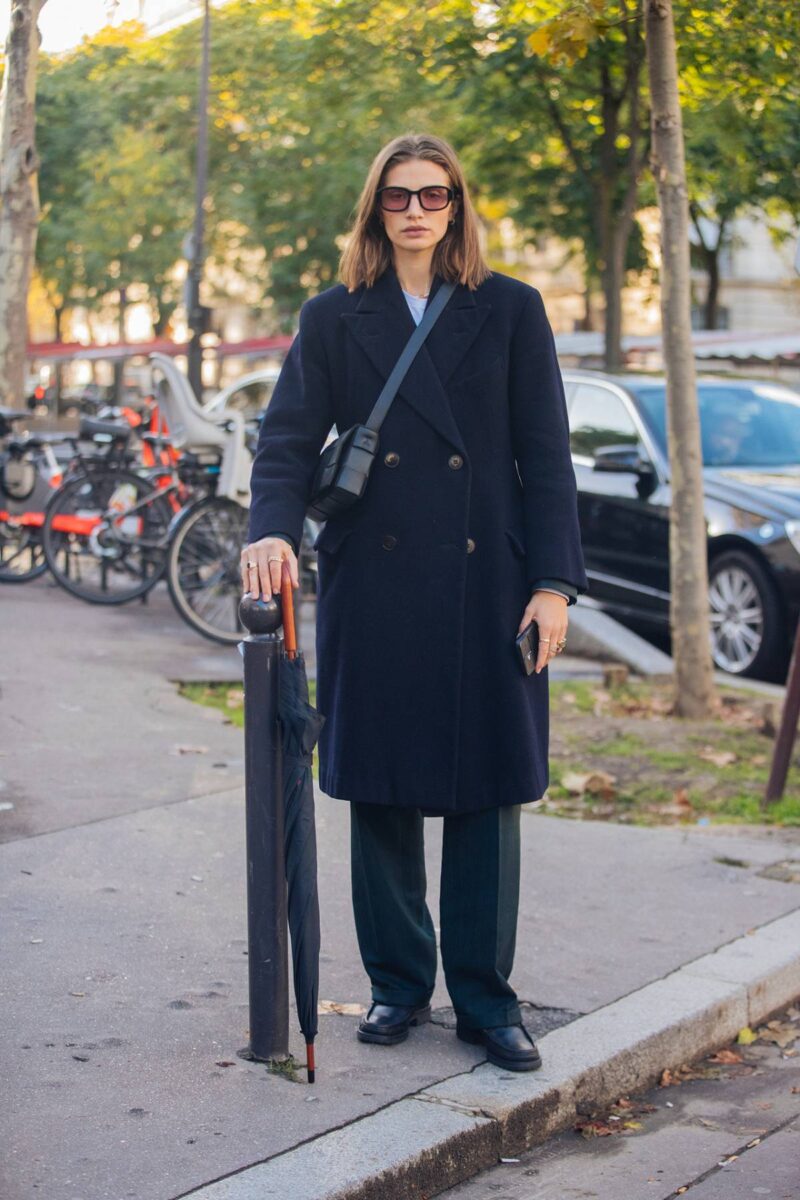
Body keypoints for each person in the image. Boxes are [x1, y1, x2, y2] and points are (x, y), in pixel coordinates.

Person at [242, 132, 588, 1072]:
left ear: (457, 205)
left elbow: (546, 457)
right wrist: (268, 529)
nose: (416, 211)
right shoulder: (333, 315)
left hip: (492, 584)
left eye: (434, 196)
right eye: (398, 197)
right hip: (379, 581)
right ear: (375, 209)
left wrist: (554, 583)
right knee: (384, 793)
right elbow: (284, 443)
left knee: (487, 795)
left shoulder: (511, 310)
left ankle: (485, 999)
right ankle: (398, 985)